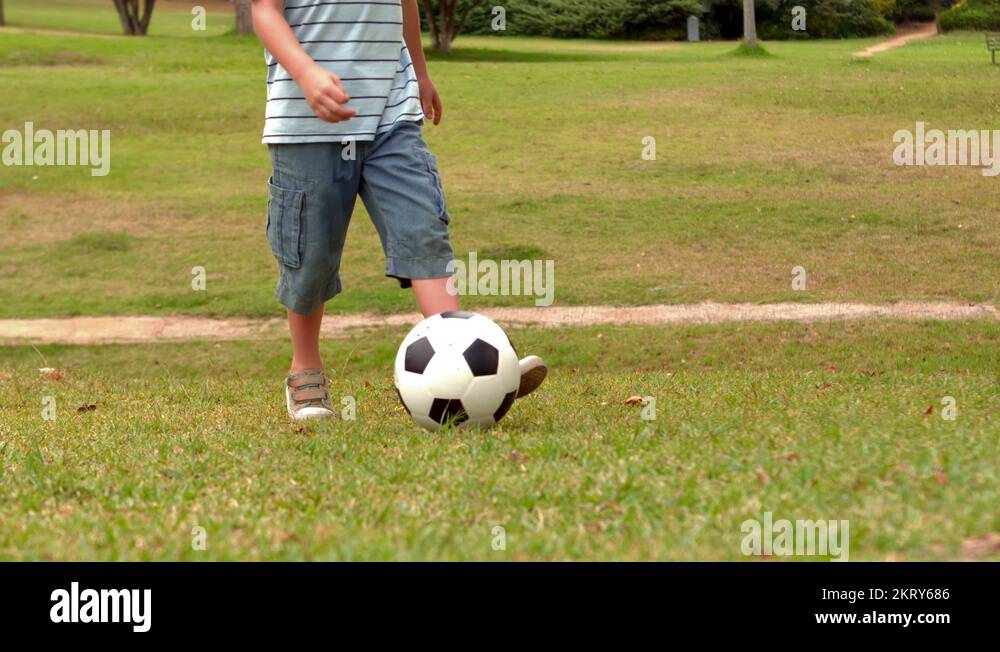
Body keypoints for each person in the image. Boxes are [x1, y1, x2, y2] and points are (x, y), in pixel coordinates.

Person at [251, 0, 547, 419]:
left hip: (392, 116)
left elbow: (405, 4)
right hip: (307, 122)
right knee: (309, 257)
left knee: (422, 228)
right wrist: (306, 73)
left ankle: (469, 357)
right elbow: (265, 12)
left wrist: (421, 73)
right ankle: (306, 370)